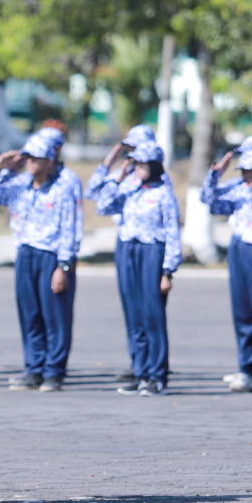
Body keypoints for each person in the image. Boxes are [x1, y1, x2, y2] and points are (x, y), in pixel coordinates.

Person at [0, 132, 79, 393]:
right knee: (30, 314)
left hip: (50, 255)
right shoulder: (19, 185)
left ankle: (54, 371)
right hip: (25, 253)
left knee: (55, 315)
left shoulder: (62, 188)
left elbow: (70, 229)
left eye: (35, 158)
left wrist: (63, 266)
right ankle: (34, 368)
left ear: (49, 161)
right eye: (27, 157)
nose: (29, 163)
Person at [94, 141, 181, 397]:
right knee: (134, 315)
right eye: (135, 163)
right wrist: (118, 177)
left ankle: (157, 375)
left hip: (151, 253)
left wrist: (168, 271)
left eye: (142, 163)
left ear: (154, 166)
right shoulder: (130, 188)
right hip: (127, 251)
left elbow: (172, 233)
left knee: (152, 315)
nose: (137, 167)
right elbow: (102, 206)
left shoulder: (164, 193)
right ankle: (141, 371)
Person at [200, 135, 252, 393]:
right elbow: (210, 202)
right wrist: (215, 174)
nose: (249, 174)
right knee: (243, 311)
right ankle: (247, 368)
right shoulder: (238, 186)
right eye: (245, 168)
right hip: (239, 248)